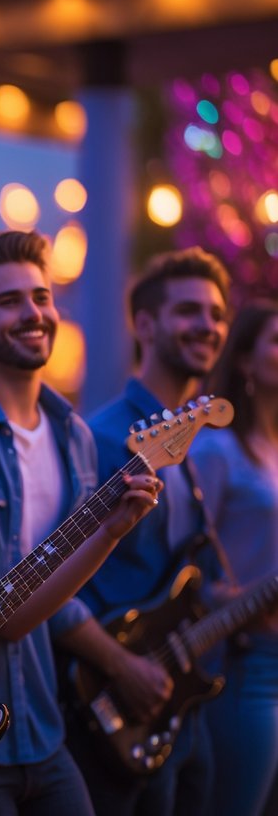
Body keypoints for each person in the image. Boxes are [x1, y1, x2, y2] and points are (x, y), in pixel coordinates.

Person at [0, 230, 161, 816]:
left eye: (41, 296)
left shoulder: (73, 434)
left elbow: (56, 587)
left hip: (44, 727)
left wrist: (118, 659)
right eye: (10, 301)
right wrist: (108, 533)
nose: (33, 313)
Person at [67, 248, 231, 816]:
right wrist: (119, 665)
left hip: (177, 700)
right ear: (144, 324)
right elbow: (56, 578)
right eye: (190, 311)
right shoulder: (107, 439)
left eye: (216, 314)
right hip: (113, 702)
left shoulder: (189, 440)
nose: (208, 326)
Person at [189, 301, 278, 816]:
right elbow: (186, 568)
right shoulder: (217, 450)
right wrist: (234, 597)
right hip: (244, 661)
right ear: (245, 360)